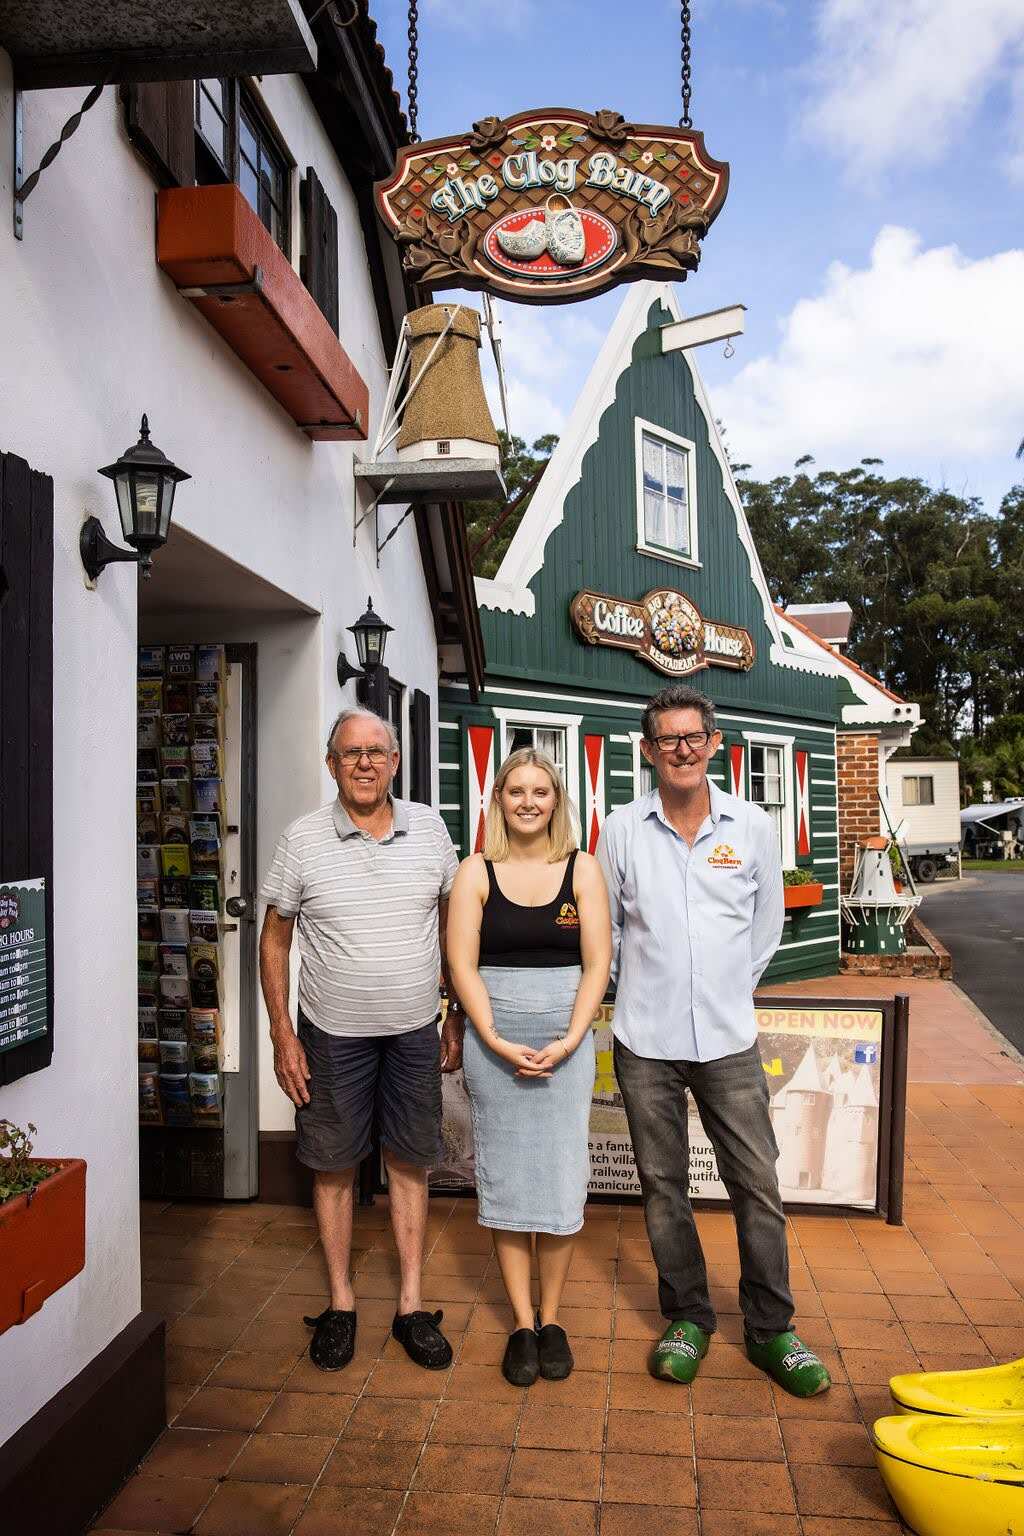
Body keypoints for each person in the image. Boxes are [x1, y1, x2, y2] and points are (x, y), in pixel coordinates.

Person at [596, 684, 831, 1398]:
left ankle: (771, 1330)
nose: (682, 750)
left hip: (728, 1039)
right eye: (667, 739)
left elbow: (761, 934)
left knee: (756, 1185)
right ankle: (689, 1318)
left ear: (714, 743)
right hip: (644, 1038)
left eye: (693, 736)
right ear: (648, 751)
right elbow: (604, 929)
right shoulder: (620, 829)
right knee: (664, 1187)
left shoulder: (753, 827)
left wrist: (723, 988)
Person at [259, 707, 462, 1374]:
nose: (366, 762)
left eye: (377, 751)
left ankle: (410, 1305)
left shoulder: (430, 829)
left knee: (409, 1160)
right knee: (333, 1163)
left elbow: (454, 926)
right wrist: (282, 1032)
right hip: (330, 1036)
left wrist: (454, 1012)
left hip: (412, 1032)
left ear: (396, 762)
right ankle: (342, 1303)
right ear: (332, 765)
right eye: (351, 753)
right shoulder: (303, 838)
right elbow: (274, 939)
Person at [445, 748, 611, 1386]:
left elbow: (597, 963)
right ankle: (520, 1324)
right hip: (497, 1047)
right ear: (499, 800)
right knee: (510, 1181)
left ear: (557, 801)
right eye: (516, 791)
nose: (528, 802)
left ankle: (553, 1319)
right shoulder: (475, 872)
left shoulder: (583, 870)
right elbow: (462, 964)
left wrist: (571, 1040)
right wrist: (490, 1036)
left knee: (562, 1180)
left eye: (541, 791)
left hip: (566, 1045)